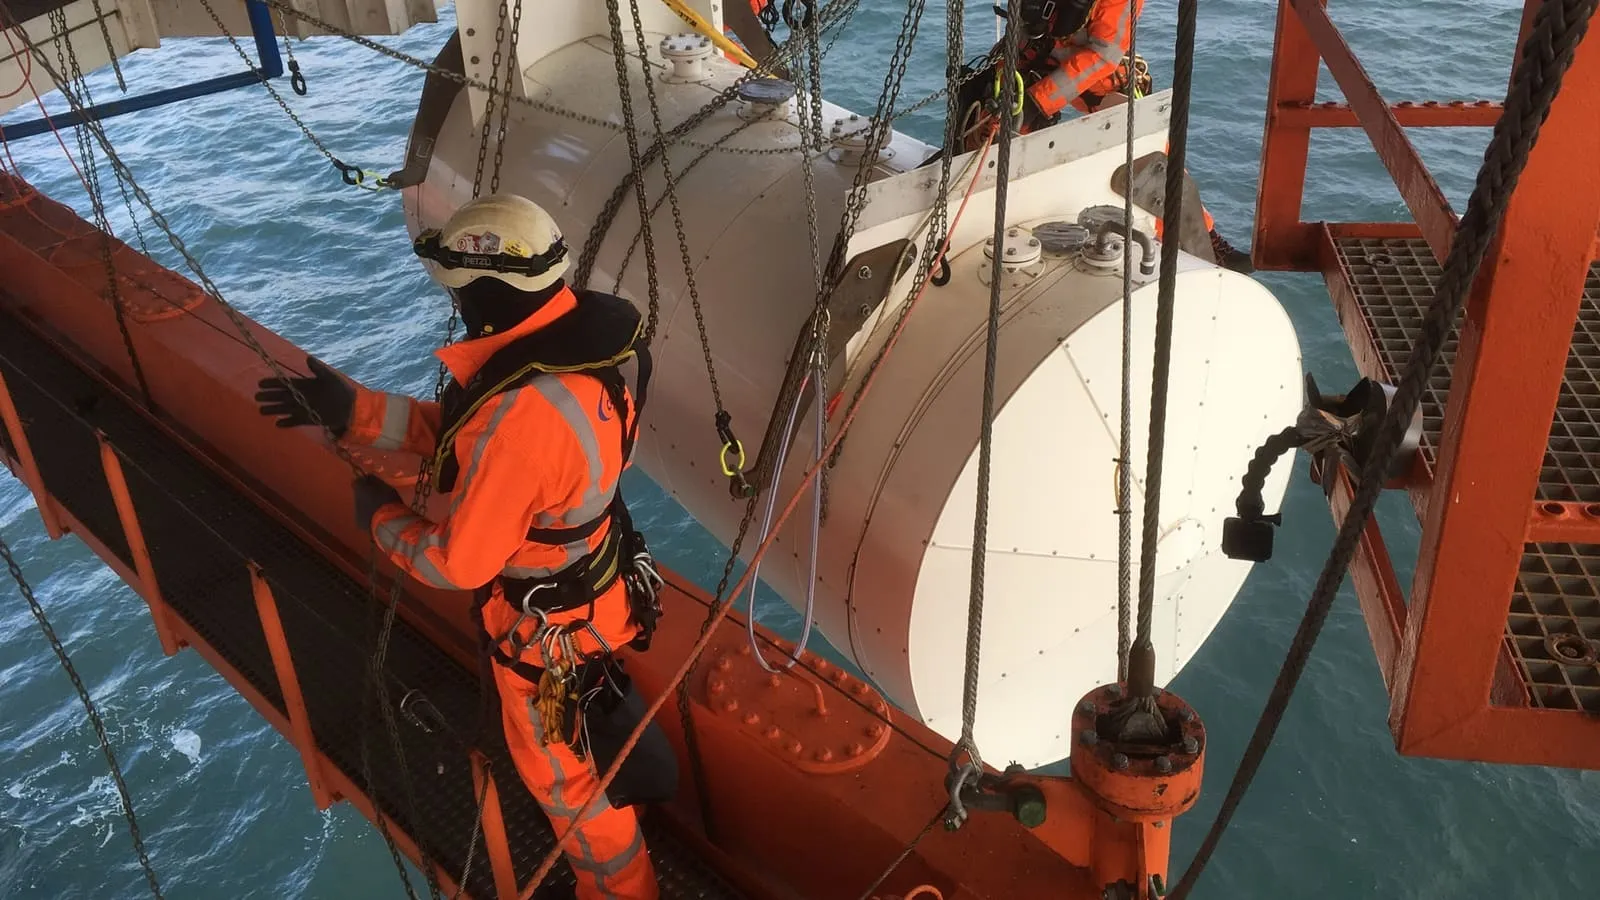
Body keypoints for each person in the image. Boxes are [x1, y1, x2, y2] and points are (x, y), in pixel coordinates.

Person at [255, 194, 674, 900]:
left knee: (571, 791)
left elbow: (460, 562)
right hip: (598, 592)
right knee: (584, 763)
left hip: (545, 638)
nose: (454, 306)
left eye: (458, 291)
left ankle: (622, 891)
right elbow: (461, 432)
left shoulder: (519, 416)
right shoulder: (584, 360)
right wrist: (353, 412)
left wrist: (381, 518)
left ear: (487, 296)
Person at [954, 0, 1254, 273]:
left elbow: (1103, 55)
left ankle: (1205, 238)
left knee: (1145, 144)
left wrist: (1038, 102)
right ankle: (963, 206)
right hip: (1034, 52)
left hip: (1093, 67)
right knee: (987, 121)